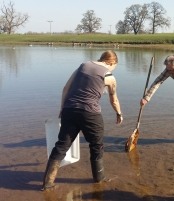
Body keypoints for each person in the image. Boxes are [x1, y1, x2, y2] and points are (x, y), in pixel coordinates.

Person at [41, 50, 123, 191]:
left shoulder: (83, 65)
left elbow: (66, 88)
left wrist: (62, 108)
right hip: (90, 114)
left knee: (61, 146)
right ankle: (99, 179)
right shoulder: (109, 76)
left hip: (69, 109)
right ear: (111, 63)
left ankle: (48, 184)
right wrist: (119, 113)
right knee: (96, 146)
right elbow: (113, 100)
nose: (112, 68)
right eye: (113, 66)